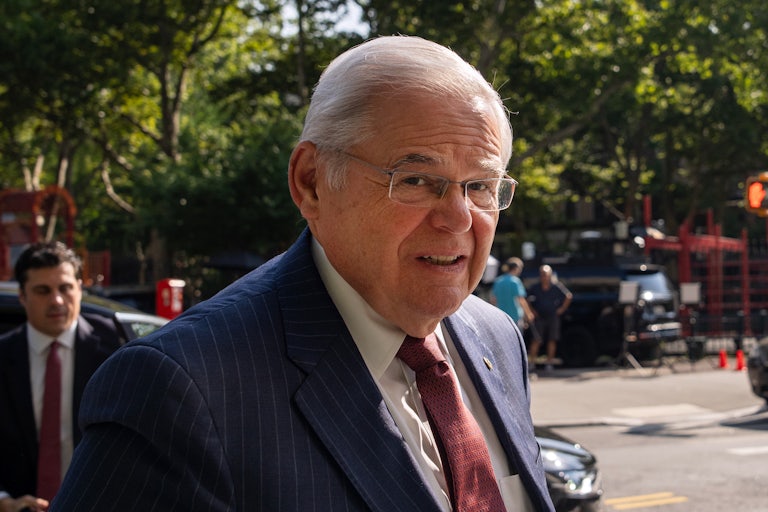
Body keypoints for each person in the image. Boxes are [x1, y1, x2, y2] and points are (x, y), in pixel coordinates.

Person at [52, 36, 555, 512]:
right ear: (311, 182)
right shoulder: (180, 391)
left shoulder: (496, 336)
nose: (459, 218)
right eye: (417, 179)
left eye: (480, 185)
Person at [0, 242, 124, 512]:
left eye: (65, 288)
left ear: (79, 289)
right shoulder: (4, 355)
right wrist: (4, 501)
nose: (56, 300)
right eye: (43, 291)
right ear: (22, 296)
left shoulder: (117, 349)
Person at [527, 264, 572, 372]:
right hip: (539, 317)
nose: (544, 277)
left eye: (546, 274)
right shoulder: (535, 287)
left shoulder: (556, 286)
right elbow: (526, 299)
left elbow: (568, 296)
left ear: (550, 275)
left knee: (552, 340)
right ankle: (532, 363)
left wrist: (561, 309)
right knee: (536, 339)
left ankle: (549, 363)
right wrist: (532, 311)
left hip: (552, 316)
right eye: (542, 274)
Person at [490, 257, 534, 330]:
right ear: (516, 268)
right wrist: (528, 313)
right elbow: (521, 300)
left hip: (501, 316)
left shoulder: (498, 281)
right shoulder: (516, 281)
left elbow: (493, 300)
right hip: (515, 316)